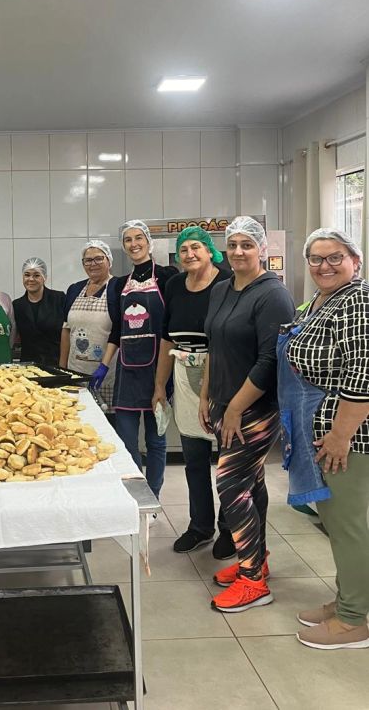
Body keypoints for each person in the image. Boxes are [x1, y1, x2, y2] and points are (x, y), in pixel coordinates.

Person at [278, 229, 369, 650]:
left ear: (355, 260)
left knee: (347, 525)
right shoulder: (323, 300)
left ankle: (354, 621)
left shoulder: (357, 300)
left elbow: (363, 373)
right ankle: (350, 598)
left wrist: (340, 436)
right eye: (316, 258)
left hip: (348, 437)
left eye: (335, 257)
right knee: (334, 521)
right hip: (320, 431)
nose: (324, 266)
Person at [201, 216, 294, 613]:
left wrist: (236, 407)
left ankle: (253, 581)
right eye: (233, 244)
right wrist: (206, 396)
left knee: (230, 484)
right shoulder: (222, 289)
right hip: (223, 402)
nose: (238, 251)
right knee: (251, 482)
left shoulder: (272, 294)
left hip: (255, 407)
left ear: (262, 249)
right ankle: (256, 559)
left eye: (247, 245)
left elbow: (270, 359)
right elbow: (214, 346)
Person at [153, 227, 233, 554]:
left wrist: (208, 393)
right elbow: (166, 338)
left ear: (210, 250)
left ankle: (230, 529)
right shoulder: (174, 285)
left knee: (228, 460)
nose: (189, 254)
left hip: (224, 375)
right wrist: (160, 384)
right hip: (185, 374)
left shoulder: (226, 282)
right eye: (183, 249)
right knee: (194, 458)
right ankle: (200, 526)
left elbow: (226, 339)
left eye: (196, 247)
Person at [96, 221, 177, 498]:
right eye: (128, 239)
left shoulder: (167, 276)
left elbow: (171, 326)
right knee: (126, 440)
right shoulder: (119, 284)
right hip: (127, 370)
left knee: (156, 441)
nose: (134, 244)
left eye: (139, 238)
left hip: (158, 370)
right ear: (123, 246)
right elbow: (117, 330)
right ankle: (135, 494)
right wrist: (104, 365)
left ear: (148, 241)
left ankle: (153, 494)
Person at [59, 240, 119, 413]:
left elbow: (119, 331)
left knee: (107, 423)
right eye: (88, 260)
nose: (93, 264)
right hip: (75, 374)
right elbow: (66, 329)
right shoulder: (74, 289)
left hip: (107, 374)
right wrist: (62, 369)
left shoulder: (117, 287)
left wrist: (104, 366)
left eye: (99, 258)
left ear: (109, 260)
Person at [13, 257, 66, 368]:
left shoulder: (59, 299)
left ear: (44, 277)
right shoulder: (17, 305)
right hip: (28, 367)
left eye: (36, 275)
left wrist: (63, 365)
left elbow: (67, 333)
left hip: (55, 364)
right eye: (27, 275)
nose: (31, 279)